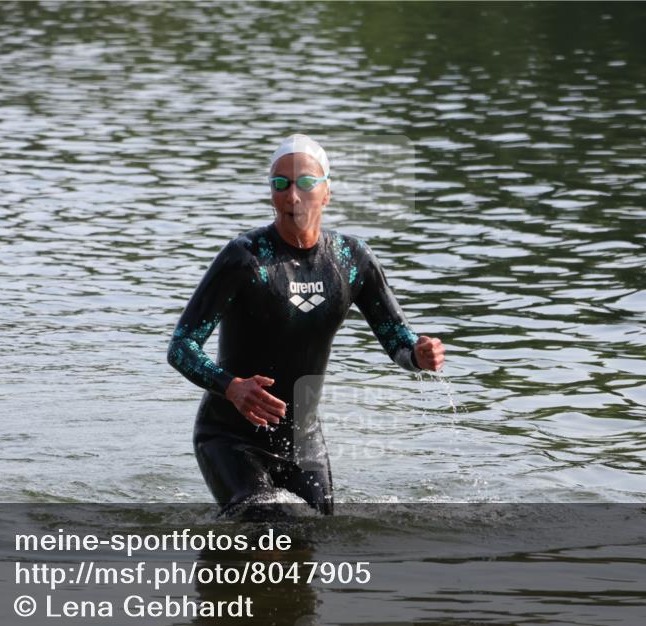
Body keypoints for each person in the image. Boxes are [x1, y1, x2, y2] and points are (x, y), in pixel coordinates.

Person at [168, 134, 445, 516]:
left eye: (305, 183)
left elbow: (396, 338)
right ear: (271, 194)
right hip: (229, 437)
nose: (293, 196)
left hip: (303, 441)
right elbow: (181, 346)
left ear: (326, 192)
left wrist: (418, 354)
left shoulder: (352, 259)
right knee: (268, 520)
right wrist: (231, 387)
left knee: (316, 533)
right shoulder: (243, 259)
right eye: (281, 184)